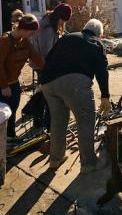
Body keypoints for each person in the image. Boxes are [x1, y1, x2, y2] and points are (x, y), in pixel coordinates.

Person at [39, 18, 111, 171]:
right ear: (98, 34)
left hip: (48, 84)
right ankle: (89, 163)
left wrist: (41, 83)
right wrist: (105, 96)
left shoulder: (67, 37)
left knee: (58, 121)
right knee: (85, 121)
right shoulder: (95, 43)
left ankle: (55, 159)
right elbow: (101, 71)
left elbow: (49, 58)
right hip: (74, 84)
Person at [0, 13, 45, 137]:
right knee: (0, 114)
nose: (32, 35)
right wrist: (4, 86)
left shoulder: (25, 42)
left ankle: (10, 137)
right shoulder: (5, 41)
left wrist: (50, 68)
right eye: (31, 32)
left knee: (12, 111)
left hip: (12, 82)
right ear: (22, 29)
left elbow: (37, 58)